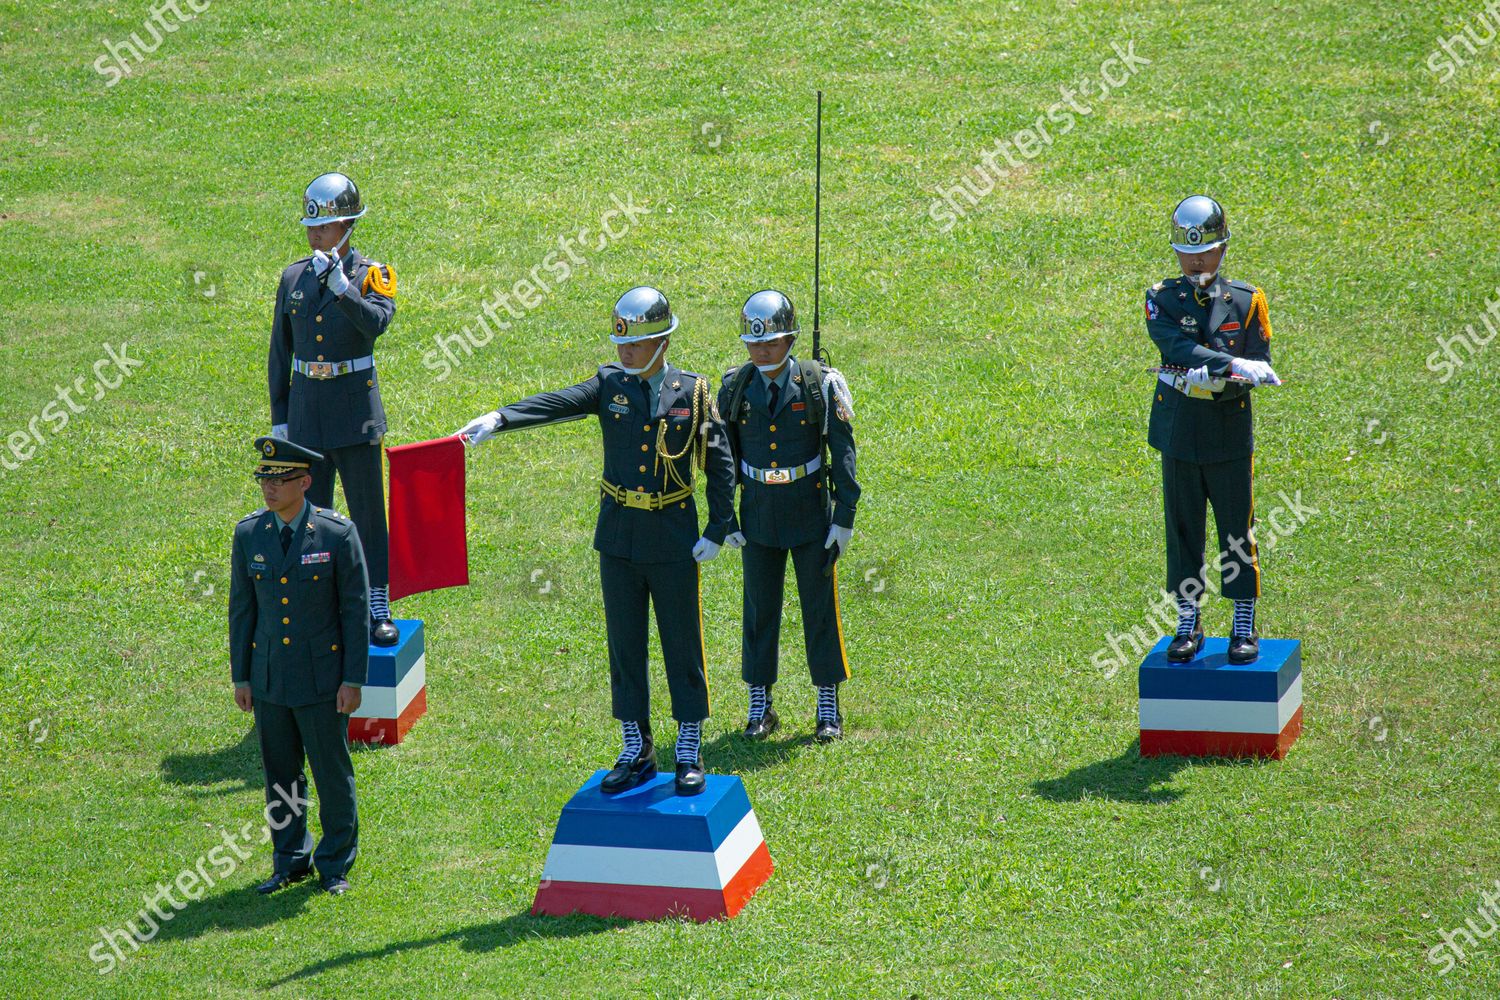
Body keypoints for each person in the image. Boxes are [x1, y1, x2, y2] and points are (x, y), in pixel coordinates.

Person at [456, 286, 737, 795]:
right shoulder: (610, 385)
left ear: (661, 343)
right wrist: (500, 419)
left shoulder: (693, 393)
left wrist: (718, 527)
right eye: (619, 342)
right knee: (624, 644)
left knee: (682, 642)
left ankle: (689, 744)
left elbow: (718, 461)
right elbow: (558, 403)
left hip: (673, 535)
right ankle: (637, 745)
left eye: (633, 344)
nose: (622, 351)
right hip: (619, 536)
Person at [1145, 195, 1282, 665]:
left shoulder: (1245, 300)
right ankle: (1189, 619)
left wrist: (1223, 381)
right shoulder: (1161, 299)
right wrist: (1226, 364)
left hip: (1226, 432)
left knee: (1236, 531)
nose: (1196, 260)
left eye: (1205, 250)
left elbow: (1259, 367)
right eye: (1187, 251)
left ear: (1222, 249)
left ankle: (1243, 620)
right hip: (1180, 433)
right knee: (1183, 528)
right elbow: (1174, 346)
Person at [717, 290, 860, 742]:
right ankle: (761, 703)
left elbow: (843, 449)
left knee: (819, 609)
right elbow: (723, 458)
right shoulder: (735, 387)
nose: (761, 350)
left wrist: (845, 515)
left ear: (792, 339)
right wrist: (725, 518)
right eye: (753, 343)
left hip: (809, 513)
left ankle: (827, 703)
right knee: (759, 610)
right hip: (758, 514)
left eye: (772, 342)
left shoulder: (820, 384)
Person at [229, 436, 368, 896]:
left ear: (305, 482)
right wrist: (242, 676)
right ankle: (289, 859)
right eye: (263, 478)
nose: (268, 488)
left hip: (323, 681)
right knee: (280, 775)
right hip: (270, 679)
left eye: (279, 479)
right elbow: (242, 611)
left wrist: (353, 679)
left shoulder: (336, 534)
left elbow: (354, 610)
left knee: (331, 774)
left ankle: (334, 863)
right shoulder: (250, 534)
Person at [269, 171, 400, 647]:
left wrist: (343, 288)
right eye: (311, 227)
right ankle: (319, 602)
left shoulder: (372, 275)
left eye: (323, 227)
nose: (314, 235)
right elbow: (280, 353)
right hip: (307, 413)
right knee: (312, 513)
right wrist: (281, 418)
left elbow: (375, 325)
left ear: (346, 227)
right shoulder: (293, 277)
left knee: (366, 511)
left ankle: (376, 600)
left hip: (354, 410)